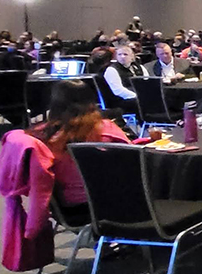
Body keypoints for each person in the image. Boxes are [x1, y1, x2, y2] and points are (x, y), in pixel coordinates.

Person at [19, 80, 132, 227]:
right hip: (111, 208)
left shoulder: (40, 137)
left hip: (68, 210)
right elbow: (134, 163)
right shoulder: (107, 131)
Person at [95, 45, 142, 115]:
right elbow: (118, 91)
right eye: (119, 54)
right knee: (142, 102)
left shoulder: (139, 67)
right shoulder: (111, 70)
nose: (122, 57)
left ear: (132, 56)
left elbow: (147, 82)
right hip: (119, 100)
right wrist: (138, 97)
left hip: (137, 97)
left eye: (125, 54)